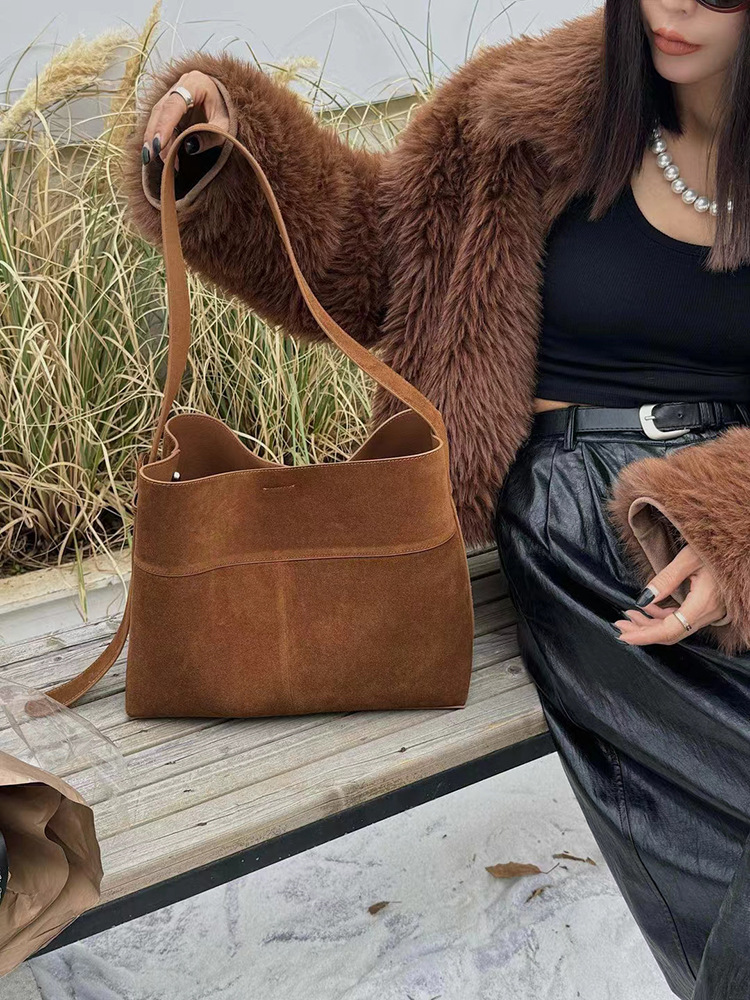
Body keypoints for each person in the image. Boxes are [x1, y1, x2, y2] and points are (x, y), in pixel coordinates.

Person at [124, 2, 750, 996]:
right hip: (590, 507)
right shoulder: (514, 120)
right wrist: (234, 146)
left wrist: (736, 519)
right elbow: (370, 261)